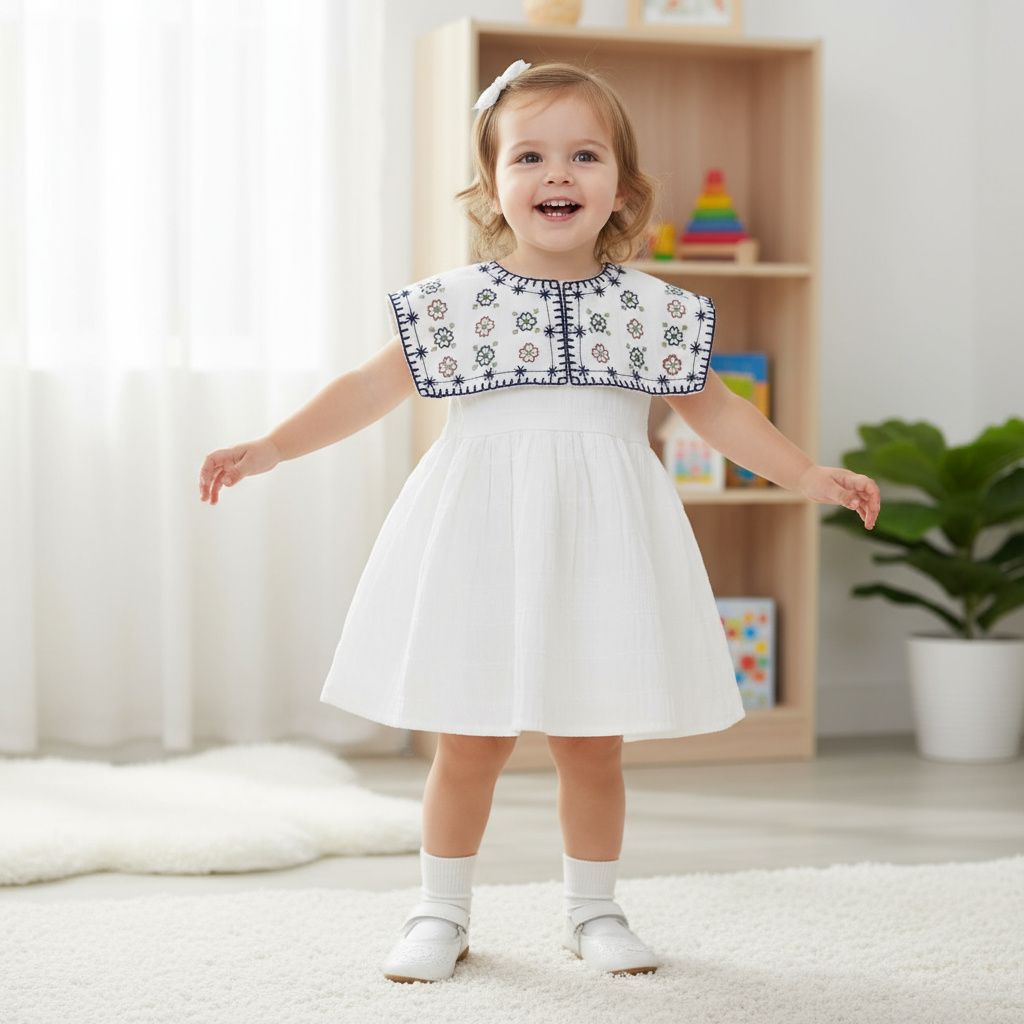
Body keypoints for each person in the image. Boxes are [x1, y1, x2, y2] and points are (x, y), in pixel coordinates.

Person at [198, 59, 881, 985]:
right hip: (481, 541)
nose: (557, 174)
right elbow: (368, 389)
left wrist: (805, 472)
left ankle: (592, 908)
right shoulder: (452, 305)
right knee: (468, 739)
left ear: (622, 189)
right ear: (493, 187)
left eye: (584, 155)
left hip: (603, 550)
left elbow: (715, 412)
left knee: (591, 743)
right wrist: (272, 447)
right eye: (530, 155)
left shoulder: (657, 314)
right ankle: (441, 909)